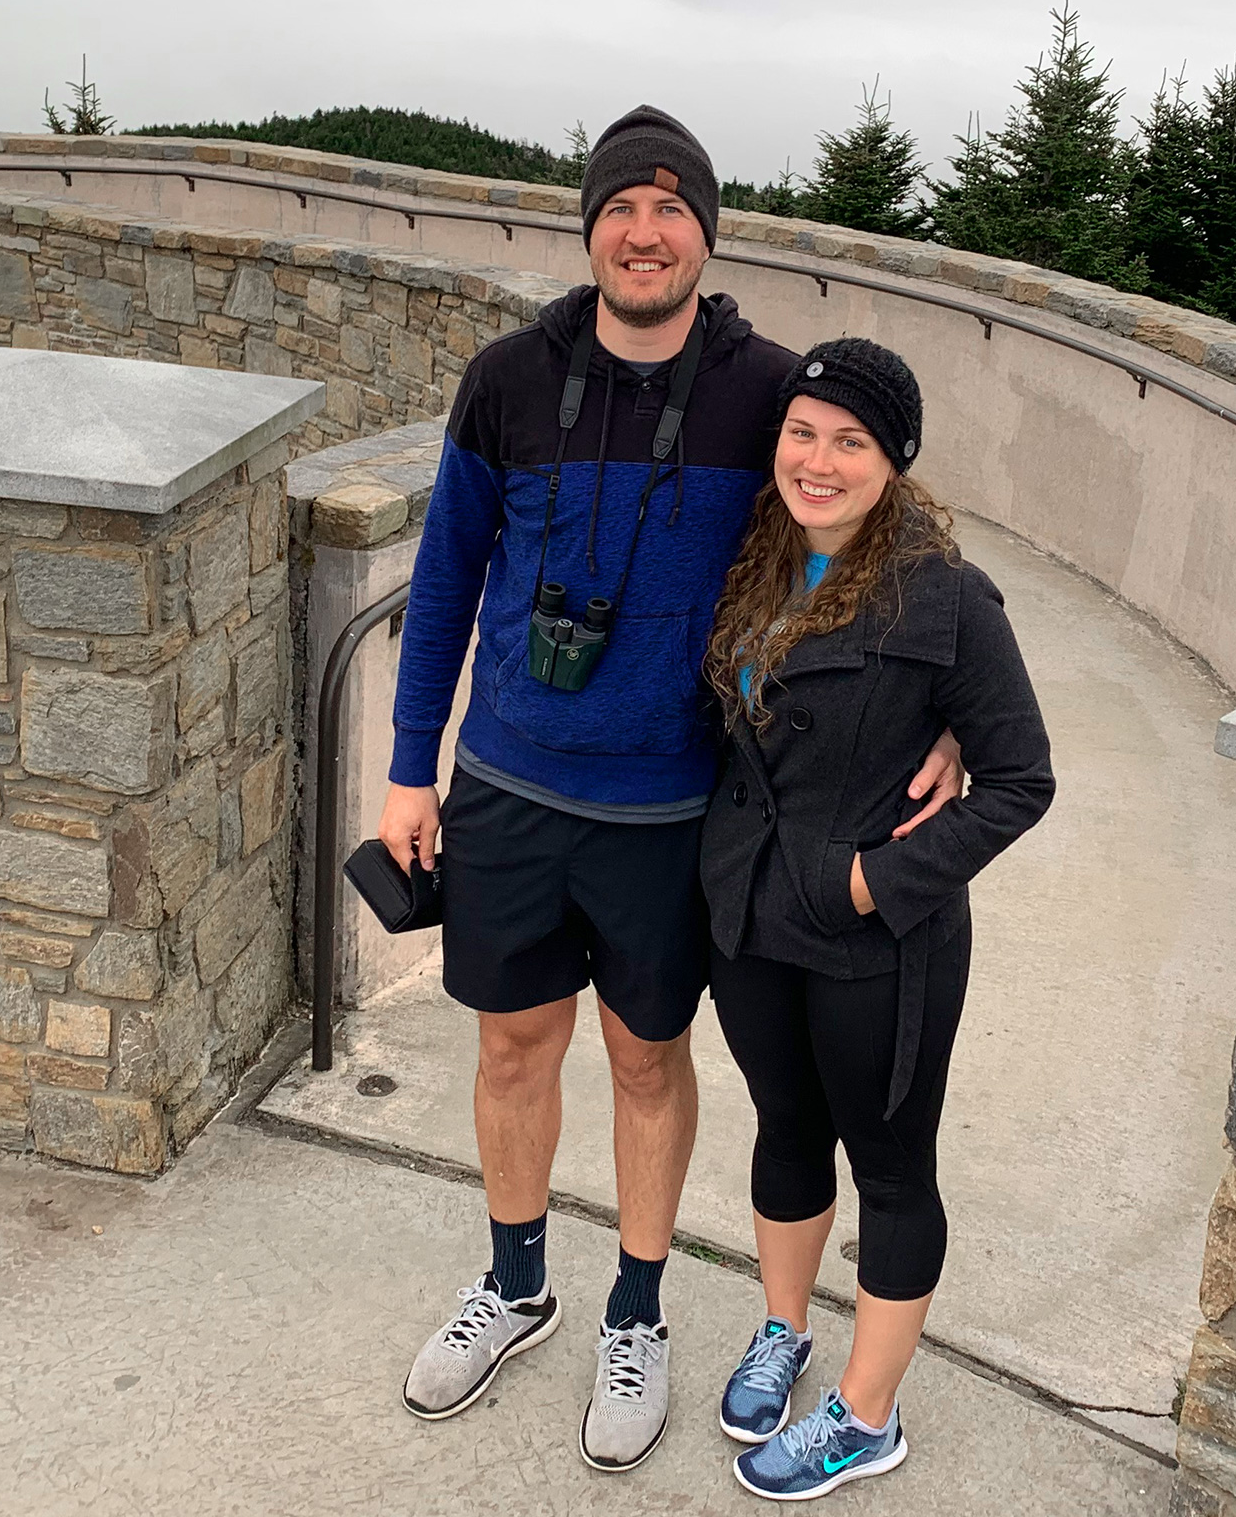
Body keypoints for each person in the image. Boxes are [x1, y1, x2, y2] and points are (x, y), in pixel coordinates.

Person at [381, 107, 964, 1472]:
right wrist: (411, 773)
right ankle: (519, 1284)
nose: (644, 232)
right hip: (510, 787)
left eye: (672, 208)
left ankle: (635, 1310)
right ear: (588, 227)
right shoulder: (506, 381)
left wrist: (955, 720)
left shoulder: (766, 390)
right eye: (620, 207)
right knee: (512, 1047)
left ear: (708, 231)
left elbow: (881, 529)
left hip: (674, 808)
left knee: (647, 1059)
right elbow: (447, 577)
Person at [698, 338, 1053, 1500]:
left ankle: (866, 1413)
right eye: (803, 431)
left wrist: (874, 885)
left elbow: (1018, 781)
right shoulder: (755, 555)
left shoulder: (945, 595)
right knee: (786, 1130)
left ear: (893, 461)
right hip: (749, 922)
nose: (819, 459)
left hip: (875, 946)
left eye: (849, 441)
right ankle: (785, 1330)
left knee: (891, 1171)